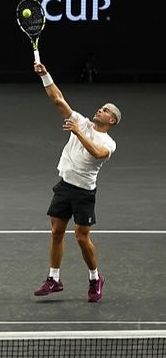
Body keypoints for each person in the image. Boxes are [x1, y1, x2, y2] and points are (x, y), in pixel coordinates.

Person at [32, 62, 120, 303]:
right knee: (56, 232)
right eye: (101, 108)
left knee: (81, 238)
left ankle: (95, 279)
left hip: (83, 193)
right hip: (64, 187)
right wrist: (45, 75)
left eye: (105, 110)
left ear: (112, 120)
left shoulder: (109, 142)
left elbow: (97, 154)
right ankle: (54, 278)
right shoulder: (80, 120)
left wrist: (78, 133)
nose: (100, 110)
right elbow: (58, 99)